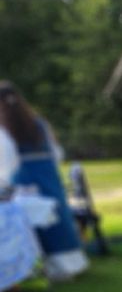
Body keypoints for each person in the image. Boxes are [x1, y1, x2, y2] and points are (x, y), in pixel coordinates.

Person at [0, 82, 87, 281]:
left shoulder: (4, 129)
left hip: (23, 179)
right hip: (48, 176)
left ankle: (35, 267)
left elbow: (7, 160)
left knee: (27, 223)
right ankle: (71, 262)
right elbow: (57, 154)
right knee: (58, 217)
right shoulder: (39, 123)